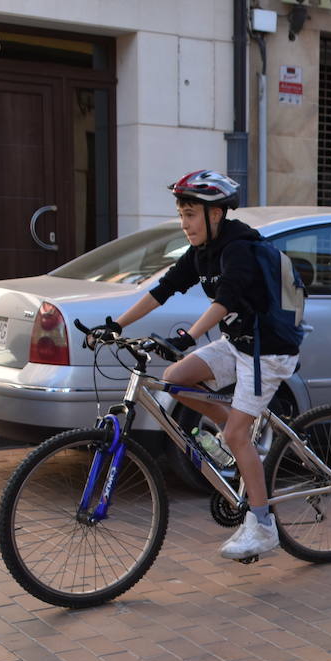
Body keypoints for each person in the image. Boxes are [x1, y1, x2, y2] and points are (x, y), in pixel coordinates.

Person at [89, 169, 301, 560]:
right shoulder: (201, 253)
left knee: (239, 436)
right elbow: (163, 289)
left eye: (190, 215)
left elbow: (227, 299)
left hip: (267, 349)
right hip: (239, 342)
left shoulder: (240, 249)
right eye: (181, 215)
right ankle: (230, 431)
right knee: (175, 377)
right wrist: (116, 325)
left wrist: (187, 336)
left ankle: (263, 525)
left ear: (215, 214)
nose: (184, 224)